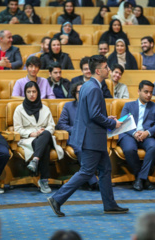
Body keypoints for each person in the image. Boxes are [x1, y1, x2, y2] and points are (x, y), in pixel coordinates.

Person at [48, 55, 128, 217]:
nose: (109, 70)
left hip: (92, 137)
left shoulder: (87, 85)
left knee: (105, 169)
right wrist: (112, 124)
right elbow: (94, 114)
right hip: (91, 139)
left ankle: (110, 204)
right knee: (85, 172)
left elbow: (93, 113)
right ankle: (57, 198)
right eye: (106, 67)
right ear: (98, 70)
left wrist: (108, 118)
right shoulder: (94, 88)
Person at [14, 81, 63, 193]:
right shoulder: (19, 109)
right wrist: (32, 134)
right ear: (25, 93)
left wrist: (42, 132)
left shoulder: (45, 108)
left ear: (38, 92)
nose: (32, 94)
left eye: (34, 91)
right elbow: (18, 129)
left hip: (46, 136)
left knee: (45, 134)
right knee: (43, 146)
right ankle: (44, 180)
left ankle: (35, 160)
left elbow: (51, 126)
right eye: (29, 92)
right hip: (29, 139)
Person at [119, 80, 155, 191]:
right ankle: (143, 179)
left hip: (146, 135)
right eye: (146, 92)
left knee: (154, 147)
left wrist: (146, 133)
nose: (149, 95)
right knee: (129, 149)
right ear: (138, 91)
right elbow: (123, 123)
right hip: (129, 134)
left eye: (151, 92)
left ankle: (139, 179)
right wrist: (134, 133)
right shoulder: (128, 105)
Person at [56, 82, 99, 190]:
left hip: (91, 136)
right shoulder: (68, 106)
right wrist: (77, 131)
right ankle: (93, 181)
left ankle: (92, 179)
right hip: (74, 136)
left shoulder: (92, 106)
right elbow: (61, 124)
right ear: (74, 93)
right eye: (79, 92)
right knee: (81, 149)